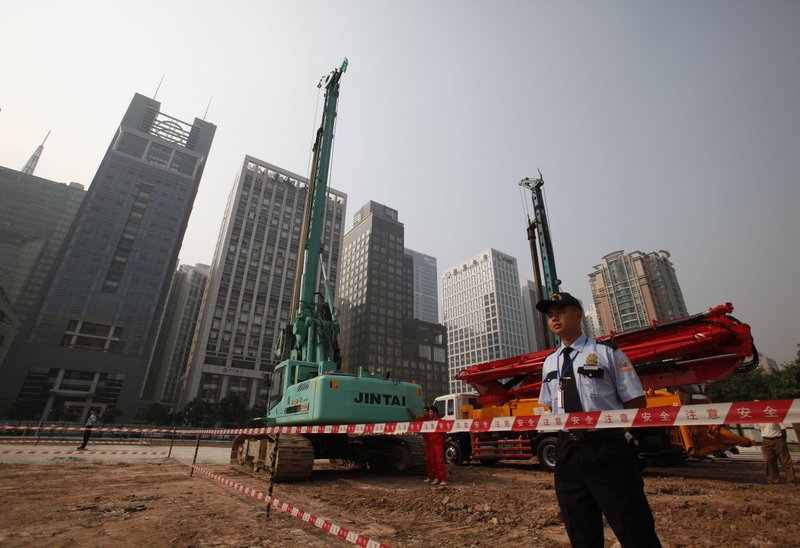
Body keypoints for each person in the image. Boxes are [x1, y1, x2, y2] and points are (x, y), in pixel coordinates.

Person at [536, 292, 661, 547]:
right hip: (567, 451)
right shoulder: (550, 363)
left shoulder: (606, 352)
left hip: (607, 449)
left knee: (633, 527)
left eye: (560, 312)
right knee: (580, 530)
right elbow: (548, 407)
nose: (554, 319)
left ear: (578, 314)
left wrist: (617, 431)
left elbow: (636, 400)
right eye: (550, 315)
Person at [407, 406, 448, 486]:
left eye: (430, 412)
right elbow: (416, 417)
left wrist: (442, 442)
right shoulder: (427, 421)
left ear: (435, 413)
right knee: (431, 462)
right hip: (429, 444)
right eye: (428, 412)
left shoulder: (440, 422)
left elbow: (444, 434)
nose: (429, 413)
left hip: (437, 444)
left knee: (439, 462)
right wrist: (409, 410)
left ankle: (443, 479)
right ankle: (434, 477)